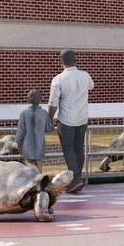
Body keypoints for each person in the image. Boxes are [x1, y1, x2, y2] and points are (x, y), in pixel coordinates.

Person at [47, 49, 95, 193]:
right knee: (79, 148)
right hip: (82, 118)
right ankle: (76, 179)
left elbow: (53, 103)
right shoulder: (85, 75)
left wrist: (50, 118)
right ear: (75, 59)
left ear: (61, 61)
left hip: (66, 119)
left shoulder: (58, 79)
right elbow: (91, 86)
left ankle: (76, 179)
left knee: (68, 149)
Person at [14, 88, 51, 171]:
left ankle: (34, 175)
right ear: (40, 100)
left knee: (28, 162)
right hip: (40, 143)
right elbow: (48, 128)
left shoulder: (24, 113)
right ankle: (40, 176)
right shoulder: (44, 113)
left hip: (27, 143)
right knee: (38, 161)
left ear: (28, 100)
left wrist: (17, 142)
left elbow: (21, 130)